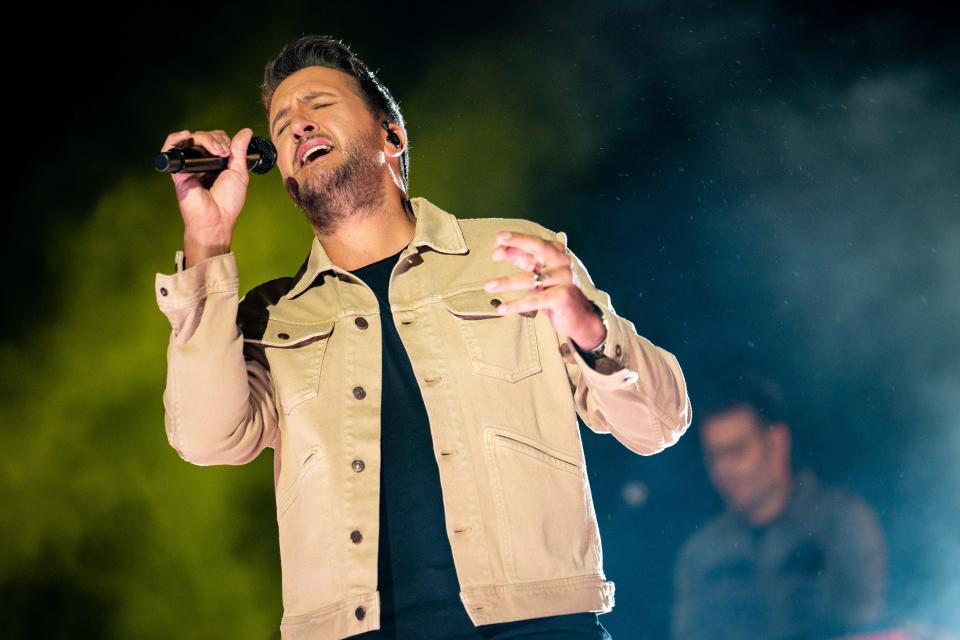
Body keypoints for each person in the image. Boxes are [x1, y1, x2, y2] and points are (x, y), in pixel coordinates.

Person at [155, 35, 692, 640]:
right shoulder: (273, 315)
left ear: (392, 136)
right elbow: (207, 438)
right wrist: (207, 239)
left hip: (535, 623)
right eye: (281, 125)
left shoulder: (511, 252)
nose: (298, 125)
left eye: (318, 104)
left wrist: (589, 326)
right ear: (280, 175)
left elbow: (659, 424)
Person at [671, 376, 887, 640]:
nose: (724, 470)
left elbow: (865, 627)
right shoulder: (701, 552)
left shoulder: (841, 521)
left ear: (778, 442)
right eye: (714, 456)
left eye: (737, 451)